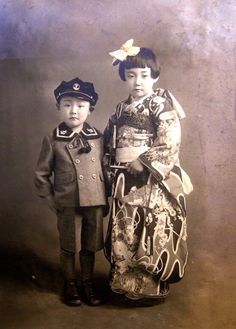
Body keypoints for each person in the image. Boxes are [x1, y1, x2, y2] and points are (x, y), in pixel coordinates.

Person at [103, 39, 193, 302]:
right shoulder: (120, 109)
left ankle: (149, 287)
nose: (138, 82)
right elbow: (111, 141)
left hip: (150, 181)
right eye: (131, 76)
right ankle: (124, 283)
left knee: (149, 229)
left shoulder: (160, 105)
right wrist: (111, 168)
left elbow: (169, 141)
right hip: (124, 177)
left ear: (154, 76)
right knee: (124, 228)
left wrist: (143, 161)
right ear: (124, 78)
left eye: (144, 75)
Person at [34, 77, 108, 306]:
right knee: (69, 246)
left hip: (95, 200)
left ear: (90, 109)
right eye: (67, 104)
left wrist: (108, 197)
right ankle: (70, 283)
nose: (73, 111)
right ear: (58, 108)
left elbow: (106, 168)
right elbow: (41, 174)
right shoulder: (53, 139)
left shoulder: (98, 138)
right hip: (68, 202)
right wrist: (51, 199)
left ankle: (87, 283)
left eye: (80, 105)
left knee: (90, 246)